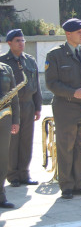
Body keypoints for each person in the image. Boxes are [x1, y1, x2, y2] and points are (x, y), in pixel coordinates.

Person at [45, 18, 81, 199]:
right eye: (79, 32)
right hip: (65, 107)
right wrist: (72, 92)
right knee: (66, 147)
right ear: (68, 34)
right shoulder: (55, 55)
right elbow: (51, 83)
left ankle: (80, 183)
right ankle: (67, 185)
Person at [0, 29, 42, 188]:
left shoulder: (30, 61)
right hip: (10, 106)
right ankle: (12, 175)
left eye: (23, 40)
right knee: (12, 141)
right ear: (9, 43)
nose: (21, 43)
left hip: (28, 104)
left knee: (26, 140)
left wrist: (38, 107)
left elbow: (36, 85)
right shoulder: (3, 62)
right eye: (17, 40)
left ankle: (24, 173)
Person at [0, 62, 20, 209]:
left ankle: (1, 196)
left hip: (4, 118)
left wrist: (15, 120)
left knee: (2, 159)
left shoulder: (6, 68)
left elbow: (14, 96)